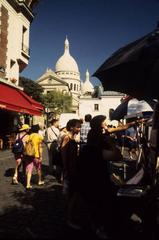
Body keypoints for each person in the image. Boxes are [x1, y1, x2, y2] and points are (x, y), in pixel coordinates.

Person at [60, 119, 81, 229]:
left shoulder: (71, 137)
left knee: (73, 195)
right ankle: (69, 219)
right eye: (77, 127)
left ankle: (70, 216)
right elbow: (63, 154)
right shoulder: (67, 137)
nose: (79, 129)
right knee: (71, 196)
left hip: (73, 169)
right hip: (70, 170)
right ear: (72, 127)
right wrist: (66, 170)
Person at [25, 124, 44, 189]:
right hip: (36, 155)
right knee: (38, 168)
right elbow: (40, 147)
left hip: (29, 155)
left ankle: (28, 184)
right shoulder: (39, 136)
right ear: (38, 130)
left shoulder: (29, 136)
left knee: (29, 169)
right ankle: (39, 181)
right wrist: (41, 156)